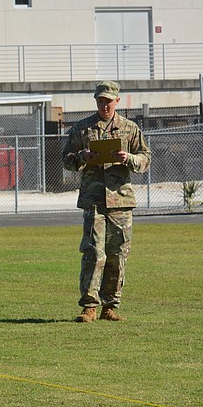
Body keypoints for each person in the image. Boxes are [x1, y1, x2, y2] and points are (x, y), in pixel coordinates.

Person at [62, 81, 152, 322]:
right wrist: (83, 156)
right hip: (94, 201)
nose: (104, 105)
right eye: (100, 101)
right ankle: (89, 306)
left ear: (117, 102)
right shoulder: (83, 128)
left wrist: (129, 158)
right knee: (93, 252)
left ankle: (110, 306)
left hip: (120, 201)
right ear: (96, 101)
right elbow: (66, 159)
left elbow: (145, 159)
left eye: (108, 101)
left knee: (118, 254)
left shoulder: (130, 129)